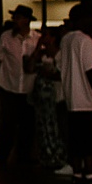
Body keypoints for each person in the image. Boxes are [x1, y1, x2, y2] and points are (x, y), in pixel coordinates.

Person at [58, 7, 92, 184]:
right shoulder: (86, 41)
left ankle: (77, 173)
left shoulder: (66, 40)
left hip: (72, 99)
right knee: (90, 141)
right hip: (87, 101)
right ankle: (89, 173)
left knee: (76, 141)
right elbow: (91, 71)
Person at [0, 4, 40, 172]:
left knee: (27, 124)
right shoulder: (6, 37)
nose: (15, 21)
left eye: (18, 18)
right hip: (10, 85)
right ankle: (4, 155)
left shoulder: (36, 38)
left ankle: (23, 155)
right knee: (8, 124)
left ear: (26, 20)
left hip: (28, 86)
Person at [28, 30, 72, 175]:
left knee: (60, 128)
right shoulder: (42, 55)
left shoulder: (61, 56)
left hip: (59, 97)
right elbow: (29, 67)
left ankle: (63, 158)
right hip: (44, 100)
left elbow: (62, 75)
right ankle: (49, 156)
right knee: (46, 127)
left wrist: (49, 74)